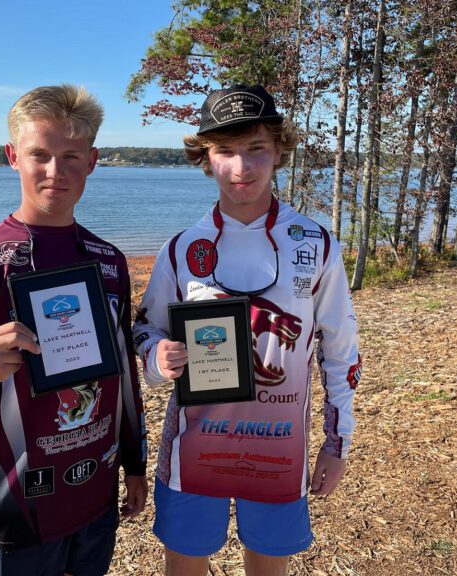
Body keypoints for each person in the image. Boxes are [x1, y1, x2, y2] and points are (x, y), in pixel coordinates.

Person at [0, 84, 147, 576]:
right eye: (39, 154)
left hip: (94, 498)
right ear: (12, 156)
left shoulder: (108, 261)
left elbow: (123, 370)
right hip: (13, 509)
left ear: (92, 160)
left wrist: (135, 462)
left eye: (70, 156)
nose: (55, 171)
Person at [133, 84, 361, 576]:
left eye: (256, 148)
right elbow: (145, 330)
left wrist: (337, 441)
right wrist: (158, 359)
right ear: (206, 157)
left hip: (278, 448)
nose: (242, 167)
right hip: (194, 449)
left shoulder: (316, 244)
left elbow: (340, 351)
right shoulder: (182, 248)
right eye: (225, 152)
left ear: (279, 150)